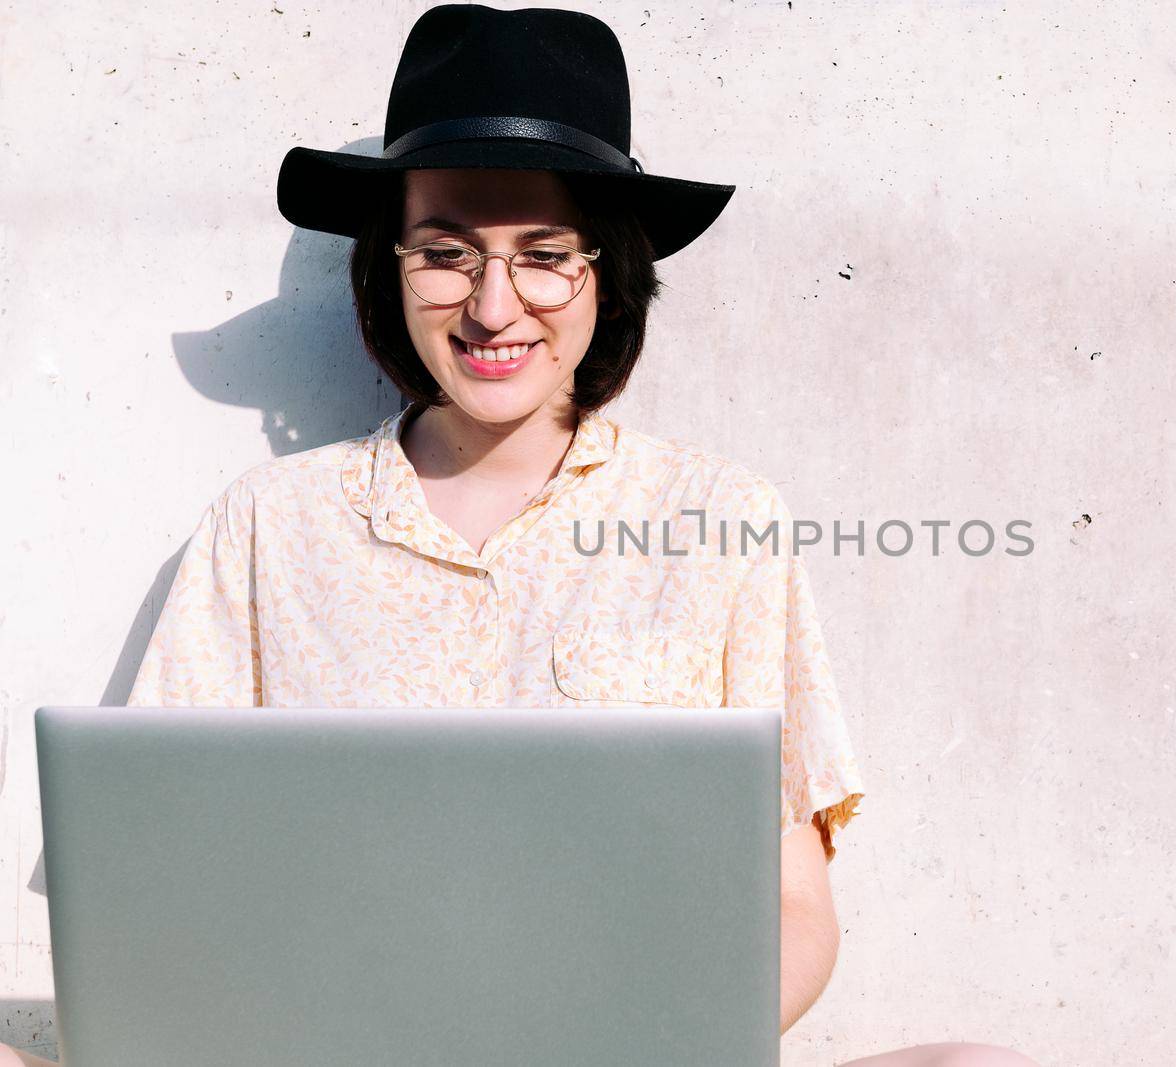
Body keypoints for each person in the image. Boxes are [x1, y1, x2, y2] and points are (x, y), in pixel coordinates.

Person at [2, 7, 1041, 1066]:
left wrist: (651, 1036)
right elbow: (160, 873)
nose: (494, 307)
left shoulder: (718, 520)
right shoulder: (272, 522)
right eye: (444, 254)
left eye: (545, 255)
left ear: (610, 271)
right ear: (386, 266)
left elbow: (794, 904)